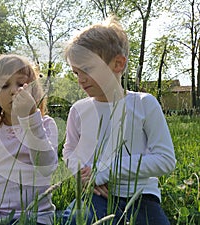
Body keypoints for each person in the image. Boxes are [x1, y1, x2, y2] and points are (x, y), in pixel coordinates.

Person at [61, 16, 176, 225]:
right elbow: (69, 151)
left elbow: (166, 159)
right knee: (78, 220)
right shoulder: (79, 110)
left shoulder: (144, 104)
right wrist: (84, 174)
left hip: (141, 197)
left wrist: (106, 170)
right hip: (95, 195)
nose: (81, 79)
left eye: (87, 69)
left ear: (118, 63)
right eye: (76, 72)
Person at [0, 54, 58, 225]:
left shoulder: (45, 125)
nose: (13, 90)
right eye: (4, 85)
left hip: (36, 218)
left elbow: (46, 168)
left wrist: (30, 119)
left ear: (33, 90)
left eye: (21, 84)